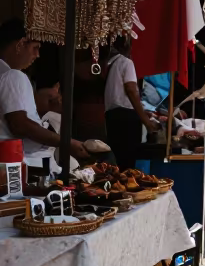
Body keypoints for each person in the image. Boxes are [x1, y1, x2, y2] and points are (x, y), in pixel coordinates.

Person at [0, 19, 89, 167]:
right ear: (20, 44)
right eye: (35, 47)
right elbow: (19, 125)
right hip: (17, 163)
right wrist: (66, 142)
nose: (37, 55)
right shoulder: (14, 76)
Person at [103, 37, 161, 170]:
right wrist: (146, 121)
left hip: (112, 118)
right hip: (126, 121)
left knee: (119, 163)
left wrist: (140, 111)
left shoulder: (110, 64)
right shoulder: (126, 62)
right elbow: (131, 90)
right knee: (127, 165)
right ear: (126, 45)